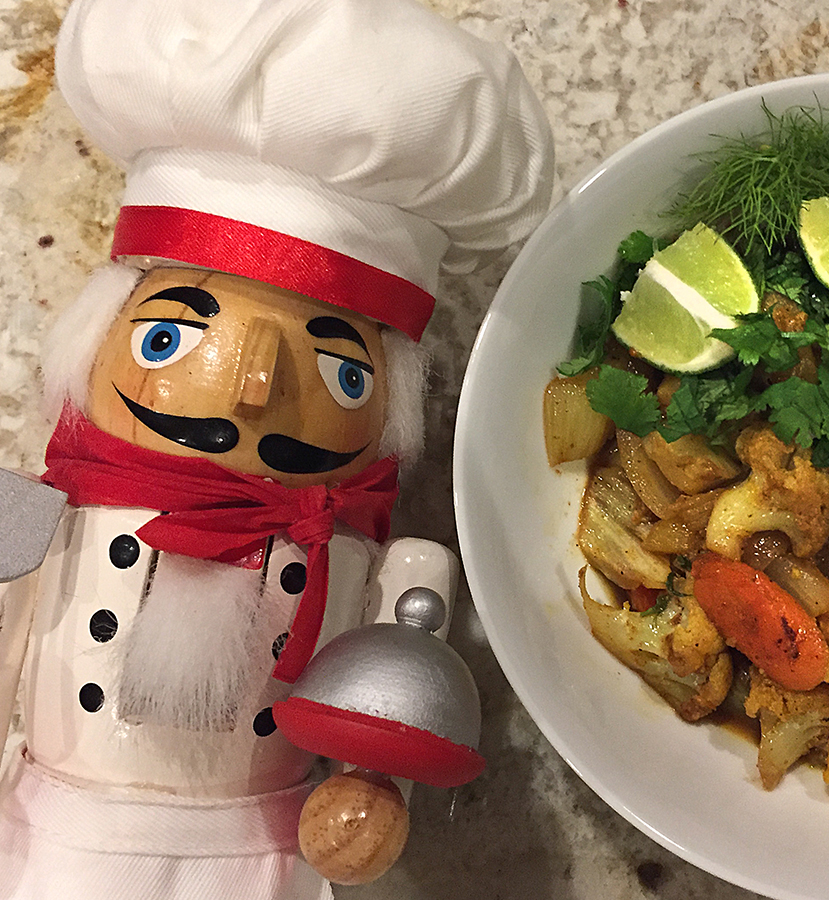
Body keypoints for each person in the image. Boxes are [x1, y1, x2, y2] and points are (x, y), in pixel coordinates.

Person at [0, 0, 554, 896]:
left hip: (261, 862)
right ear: (94, 336)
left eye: (338, 371)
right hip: (43, 844)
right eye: (168, 338)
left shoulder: (380, 559)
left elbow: (387, 707)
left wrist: (372, 793)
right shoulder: (35, 515)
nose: (255, 384)